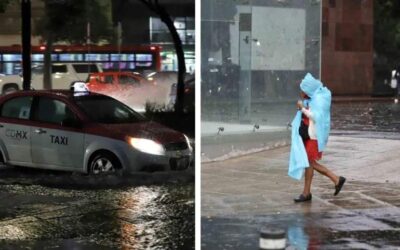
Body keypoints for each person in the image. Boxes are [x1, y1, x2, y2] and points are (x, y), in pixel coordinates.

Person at [288, 73, 345, 202]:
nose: (301, 92)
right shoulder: (312, 99)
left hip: (314, 138)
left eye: (302, 89)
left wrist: (302, 109)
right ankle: (306, 193)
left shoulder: (319, 100)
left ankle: (336, 179)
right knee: (308, 165)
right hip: (309, 136)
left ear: (308, 90)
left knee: (309, 163)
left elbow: (315, 117)